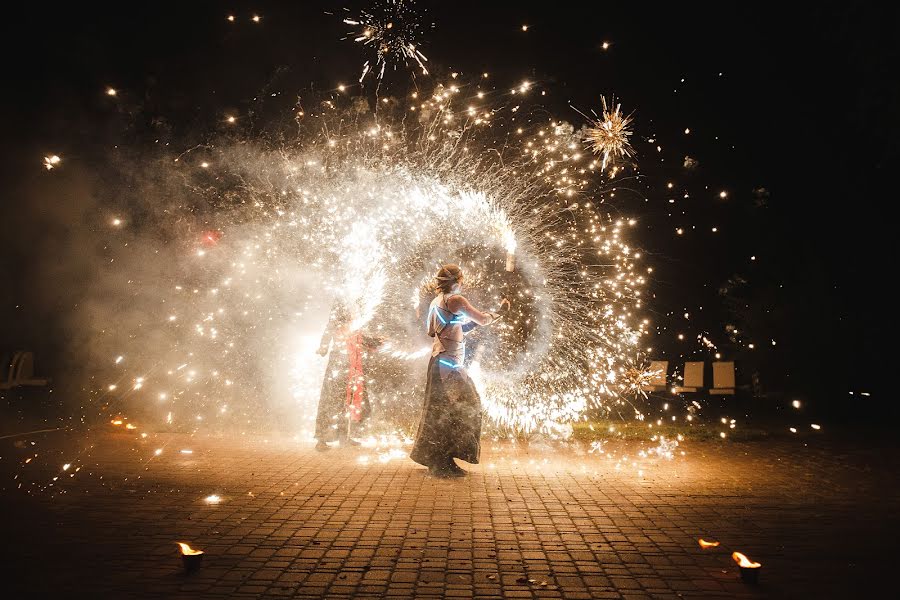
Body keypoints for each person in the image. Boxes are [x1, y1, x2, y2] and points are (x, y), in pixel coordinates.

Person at [410, 264, 508, 477]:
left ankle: (439, 460)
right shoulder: (456, 300)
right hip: (449, 366)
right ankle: (443, 461)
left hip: (438, 363)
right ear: (457, 281)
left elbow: (434, 330)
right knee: (467, 407)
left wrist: (463, 326)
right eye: (461, 280)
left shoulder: (437, 302)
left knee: (440, 411)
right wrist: (499, 313)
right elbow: (481, 319)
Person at [314, 301, 381, 450]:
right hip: (339, 363)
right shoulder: (338, 310)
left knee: (348, 400)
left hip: (352, 363)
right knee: (331, 400)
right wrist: (323, 347)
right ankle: (322, 439)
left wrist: (373, 342)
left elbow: (359, 336)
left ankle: (344, 436)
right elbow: (329, 330)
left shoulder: (355, 311)